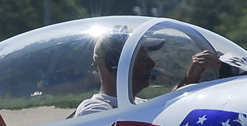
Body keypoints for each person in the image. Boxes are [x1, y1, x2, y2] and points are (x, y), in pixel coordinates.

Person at [73, 33, 221, 116]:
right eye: (143, 57)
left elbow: (163, 113)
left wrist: (191, 78)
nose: (152, 64)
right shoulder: (93, 110)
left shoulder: (140, 104)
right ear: (115, 63)